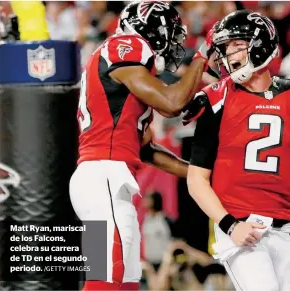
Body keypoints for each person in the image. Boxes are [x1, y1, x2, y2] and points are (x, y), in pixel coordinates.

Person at [69, 1, 215, 290]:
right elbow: (172, 103)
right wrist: (201, 58)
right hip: (103, 176)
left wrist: (197, 173)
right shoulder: (125, 46)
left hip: (105, 179)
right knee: (107, 279)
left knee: (125, 282)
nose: (173, 42)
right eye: (169, 33)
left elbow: (146, 150)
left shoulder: (127, 86)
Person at [185, 10, 290, 291]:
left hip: (287, 230)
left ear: (261, 45)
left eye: (237, 46)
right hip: (239, 225)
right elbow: (196, 178)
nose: (230, 55)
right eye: (225, 49)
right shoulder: (217, 99)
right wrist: (229, 225)